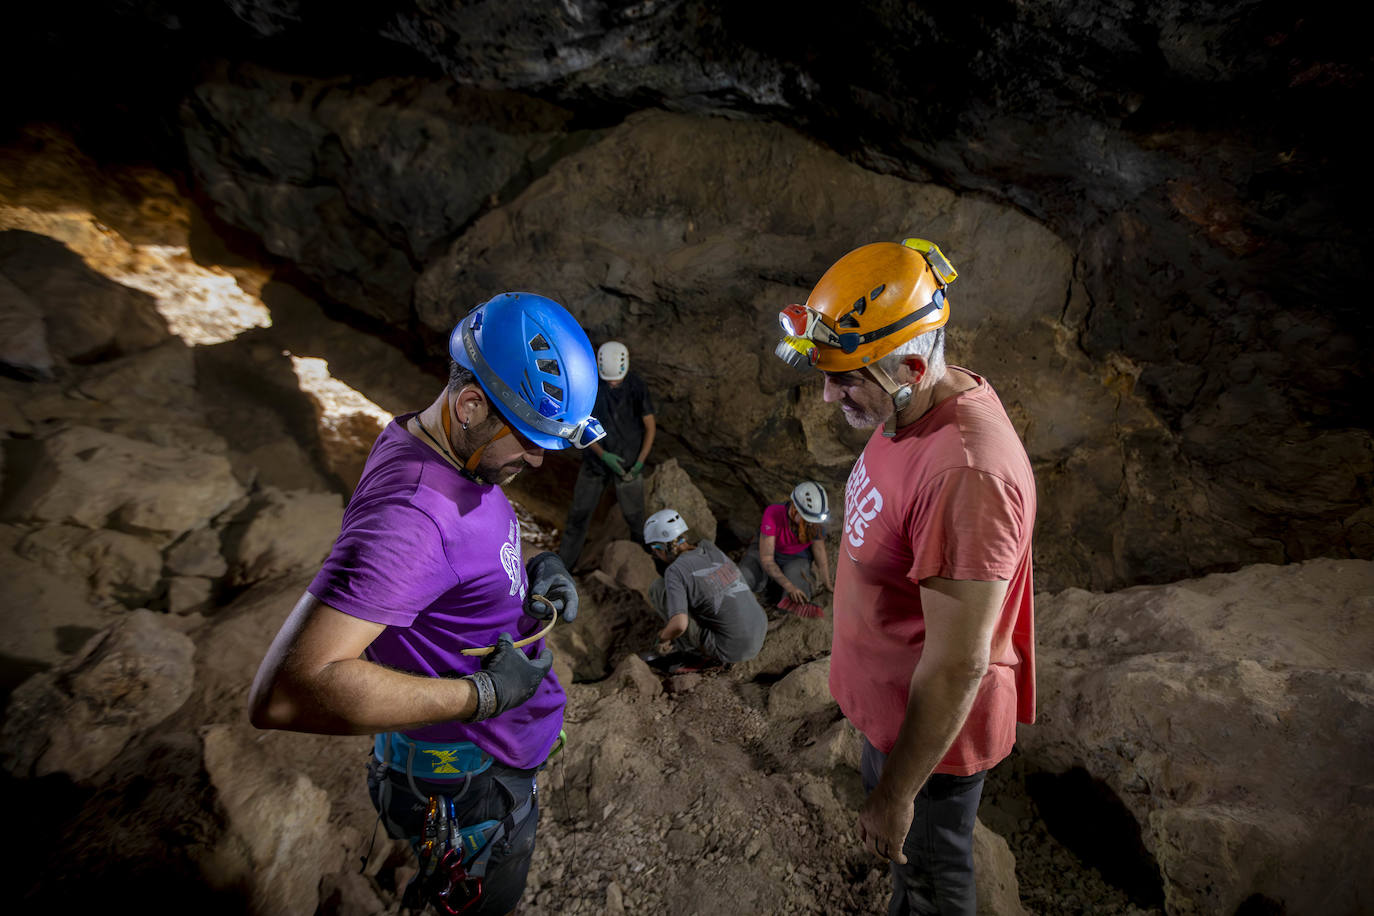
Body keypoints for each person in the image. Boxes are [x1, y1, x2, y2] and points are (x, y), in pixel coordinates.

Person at [248, 291, 606, 916]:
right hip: (469, 774)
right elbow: (287, 692)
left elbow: (456, 556)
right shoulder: (412, 518)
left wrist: (532, 568)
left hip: (486, 750)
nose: (538, 458)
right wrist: (482, 696)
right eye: (529, 439)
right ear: (470, 405)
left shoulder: (435, 446)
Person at [774, 238, 1036, 915]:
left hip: (929, 752)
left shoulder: (966, 475)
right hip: (890, 719)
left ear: (913, 366)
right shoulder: (913, 402)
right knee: (910, 881)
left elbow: (956, 665)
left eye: (845, 379)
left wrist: (896, 794)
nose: (828, 395)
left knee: (929, 886)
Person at [557, 340, 657, 569]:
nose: (612, 382)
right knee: (578, 516)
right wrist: (603, 455)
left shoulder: (636, 386)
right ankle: (563, 568)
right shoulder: (591, 385)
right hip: (596, 463)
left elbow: (650, 426)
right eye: (609, 378)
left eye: (616, 378)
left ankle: (645, 568)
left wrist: (640, 462)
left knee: (636, 520)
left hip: (629, 464)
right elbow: (580, 425)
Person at [643, 508, 767, 668]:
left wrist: (662, 638)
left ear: (657, 549)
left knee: (658, 588)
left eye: (654, 552)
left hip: (733, 649)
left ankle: (689, 653)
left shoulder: (675, 571)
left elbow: (680, 624)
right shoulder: (708, 547)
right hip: (760, 628)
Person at [738, 480, 834, 610]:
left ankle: (781, 609)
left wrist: (827, 583)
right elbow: (767, 559)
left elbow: (819, 550)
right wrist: (789, 587)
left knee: (799, 594)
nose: (810, 524)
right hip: (766, 552)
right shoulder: (773, 513)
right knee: (744, 576)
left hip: (796, 557)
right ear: (794, 509)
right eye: (807, 520)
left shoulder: (815, 521)